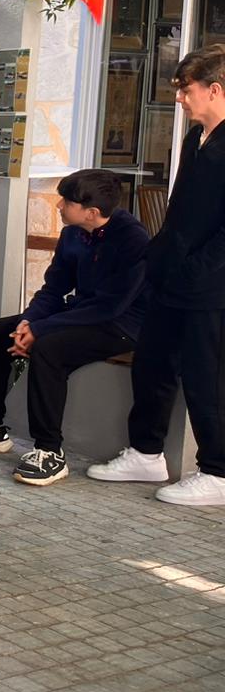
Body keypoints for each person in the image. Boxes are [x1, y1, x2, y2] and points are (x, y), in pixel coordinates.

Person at [0, 169, 148, 486]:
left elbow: (110, 307)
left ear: (91, 212)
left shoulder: (133, 240)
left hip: (122, 324)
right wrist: (29, 321)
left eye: (67, 202)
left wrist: (42, 330)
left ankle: (49, 451)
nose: (58, 205)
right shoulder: (73, 233)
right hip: (82, 312)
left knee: (49, 348)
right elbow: (53, 289)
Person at [87, 46, 225, 505]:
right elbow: (182, 210)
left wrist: (195, 269)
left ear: (214, 89)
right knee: (152, 365)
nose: (179, 99)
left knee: (208, 378)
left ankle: (218, 472)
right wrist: (160, 257)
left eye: (186, 90)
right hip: (170, 277)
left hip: (211, 286)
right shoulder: (195, 138)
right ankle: (146, 454)